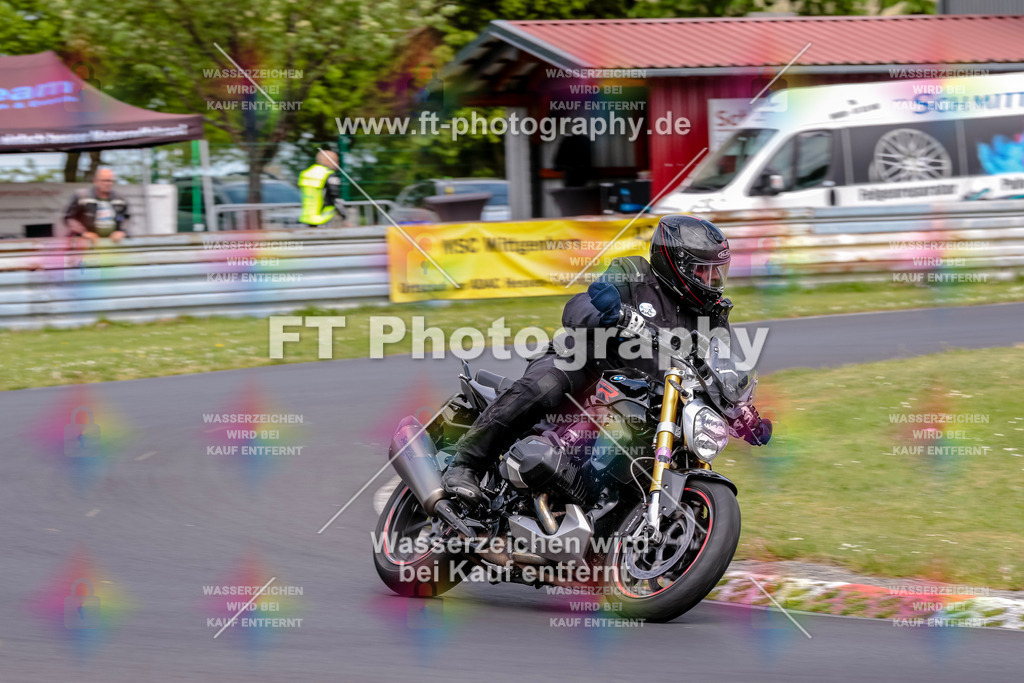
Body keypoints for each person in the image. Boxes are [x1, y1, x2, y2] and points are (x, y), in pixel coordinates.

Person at [442, 214, 773, 503]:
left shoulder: (711, 315)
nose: (713, 282)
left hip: (647, 400)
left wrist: (742, 414)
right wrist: (606, 313)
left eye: (718, 273)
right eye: (704, 272)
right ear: (677, 265)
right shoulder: (633, 273)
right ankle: (465, 464)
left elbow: (721, 369)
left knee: (681, 449)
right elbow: (578, 306)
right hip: (586, 366)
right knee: (547, 385)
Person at [64, 167, 130, 245]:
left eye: (110, 181)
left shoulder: (119, 198)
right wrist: (84, 233)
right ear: (95, 181)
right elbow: (69, 218)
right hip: (86, 244)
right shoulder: (82, 196)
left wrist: (121, 231)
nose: (108, 183)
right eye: (104, 180)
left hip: (112, 244)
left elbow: (126, 217)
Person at [298, 150, 347, 227]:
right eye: (336, 161)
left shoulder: (306, 173)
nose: (337, 164)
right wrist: (344, 215)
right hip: (325, 218)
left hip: (307, 218)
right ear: (329, 161)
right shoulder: (328, 174)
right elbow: (335, 197)